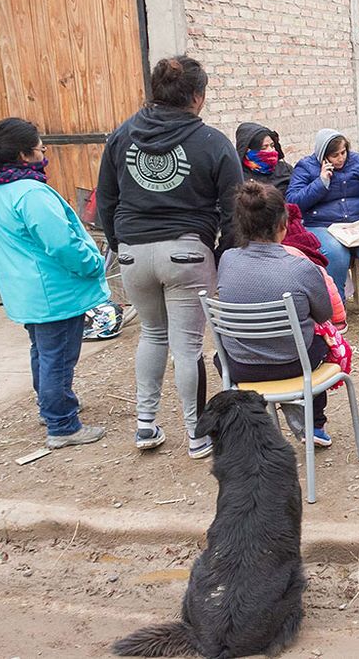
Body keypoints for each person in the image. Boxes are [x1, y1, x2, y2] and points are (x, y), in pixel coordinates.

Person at [96, 55, 242, 459]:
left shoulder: (121, 136)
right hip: (186, 252)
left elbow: (106, 200)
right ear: (196, 95)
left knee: (151, 334)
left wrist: (121, 243)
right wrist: (219, 254)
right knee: (187, 348)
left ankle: (145, 426)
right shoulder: (212, 142)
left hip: (133, 252)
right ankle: (197, 436)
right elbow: (234, 209)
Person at [0, 118, 109, 449]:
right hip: (54, 293)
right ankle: (63, 426)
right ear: (24, 155)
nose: (43, 154)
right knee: (58, 357)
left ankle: (51, 409)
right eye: (40, 149)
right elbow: (62, 243)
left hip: (25, 291)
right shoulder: (31, 193)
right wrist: (93, 263)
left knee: (45, 353)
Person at [217, 181, 336, 446]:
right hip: (292, 364)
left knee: (220, 354)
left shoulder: (227, 260)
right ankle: (313, 424)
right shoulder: (302, 268)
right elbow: (324, 314)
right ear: (283, 225)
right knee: (322, 344)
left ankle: (255, 422)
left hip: (240, 368)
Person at [286, 129, 359, 328]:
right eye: (335, 154)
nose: (341, 158)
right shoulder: (306, 167)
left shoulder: (357, 161)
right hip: (323, 224)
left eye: (343, 152)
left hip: (357, 222)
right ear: (323, 154)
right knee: (335, 253)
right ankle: (337, 306)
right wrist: (321, 182)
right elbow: (293, 202)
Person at [236, 122, 294, 193]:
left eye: (272, 145)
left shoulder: (285, 169)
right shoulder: (238, 176)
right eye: (264, 147)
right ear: (248, 150)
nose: (271, 150)